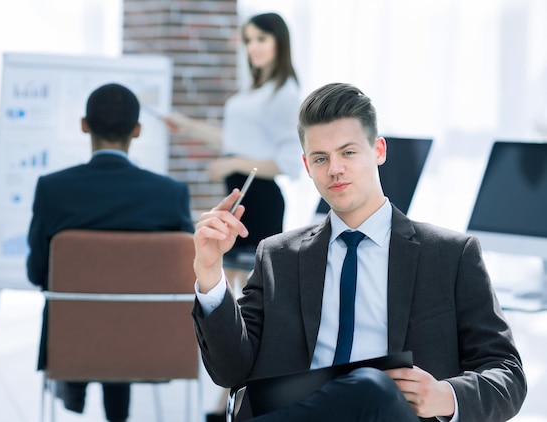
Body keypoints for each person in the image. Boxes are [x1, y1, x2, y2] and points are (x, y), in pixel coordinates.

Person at [190, 82, 527, 421]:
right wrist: (209, 273)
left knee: (371, 385)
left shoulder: (451, 255)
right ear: (307, 167)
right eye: (321, 158)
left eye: (348, 152)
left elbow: (507, 373)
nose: (334, 169)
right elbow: (231, 372)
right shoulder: (278, 257)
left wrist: (447, 395)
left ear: (378, 151)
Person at [26, 83, 194, 422]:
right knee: (124, 311)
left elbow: (37, 273)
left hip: (73, 343)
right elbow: (183, 274)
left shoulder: (53, 189)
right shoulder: (169, 194)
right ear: (137, 130)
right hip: (149, 343)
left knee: (92, 311)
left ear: (84, 124)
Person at [165, 12, 302, 290]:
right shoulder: (254, 90)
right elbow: (232, 140)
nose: (253, 47)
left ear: (280, 42)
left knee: (252, 289)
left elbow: (290, 163)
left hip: (261, 201)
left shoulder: (284, 94)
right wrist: (185, 124)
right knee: (232, 284)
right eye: (248, 40)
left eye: (261, 39)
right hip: (242, 199)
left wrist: (233, 164)